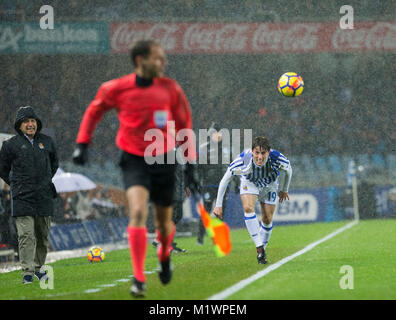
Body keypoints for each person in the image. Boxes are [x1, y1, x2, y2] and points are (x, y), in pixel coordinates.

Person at [72, 40, 200, 297]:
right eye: (158, 58)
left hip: (164, 158)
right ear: (140, 60)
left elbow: (185, 125)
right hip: (133, 158)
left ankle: (164, 254)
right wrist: (82, 143)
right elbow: (93, 112)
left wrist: (191, 164)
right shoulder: (116, 88)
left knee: (164, 224)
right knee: (139, 211)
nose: (164, 63)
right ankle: (139, 278)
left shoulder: (170, 89)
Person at [0, 106, 59, 284]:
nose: (30, 124)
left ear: (37, 123)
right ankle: (27, 272)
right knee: (26, 235)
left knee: (42, 236)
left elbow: (54, 164)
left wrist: (44, 181)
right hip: (22, 197)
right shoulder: (10, 145)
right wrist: (16, 184)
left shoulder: (47, 142)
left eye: (32, 121)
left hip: (43, 196)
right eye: (26, 121)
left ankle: (39, 268)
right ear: (19, 125)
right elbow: (2, 169)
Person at [213, 136, 292, 264]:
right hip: (250, 183)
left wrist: (284, 189)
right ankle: (259, 248)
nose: (260, 157)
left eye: (263, 153)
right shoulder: (243, 160)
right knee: (248, 208)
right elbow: (225, 179)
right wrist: (218, 205)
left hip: (269, 185)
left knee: (267, 219)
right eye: (257, 153)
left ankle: (262, 252)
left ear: (269, 152)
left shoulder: (276, 158)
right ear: (252, 151)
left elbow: (289, 170)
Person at [197, 122, 229, 244]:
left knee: (221, 212)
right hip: (209, 184)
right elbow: (199, 167)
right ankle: (200, 237)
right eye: (214, 133)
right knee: (206, 211)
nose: (217, 135)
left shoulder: (227, 148)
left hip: (223, 185)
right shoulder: (204, 148)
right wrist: (198, 183)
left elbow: (231, 166)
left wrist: (236, 182)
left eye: (219, 133)